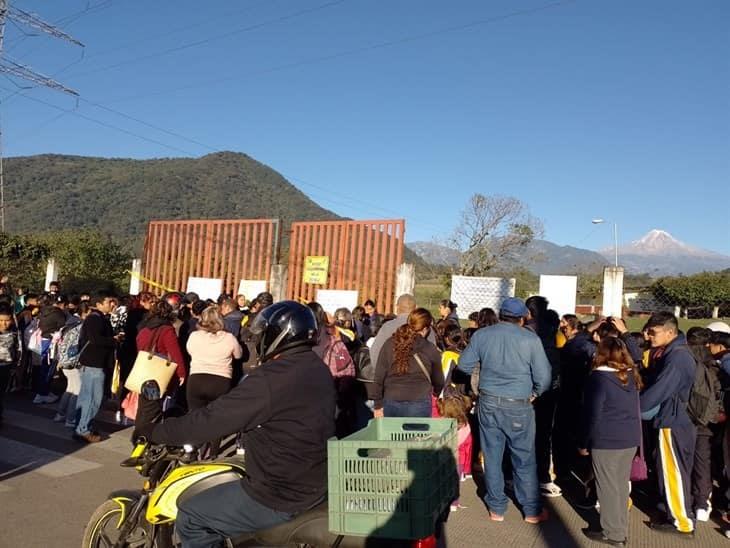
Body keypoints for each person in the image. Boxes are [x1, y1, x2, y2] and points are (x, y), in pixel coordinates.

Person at [139, 301, 336, 547]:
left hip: (279, 492)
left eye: (263, 334)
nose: (257, 340)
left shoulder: (272, 378)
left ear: (279, 335)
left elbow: (213, 419)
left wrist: (157, 431)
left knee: (191, 516)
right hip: (312, 481)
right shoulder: (315, 367)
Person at [457, 297, 551, 524]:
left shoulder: (482, 335)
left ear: (501, 315)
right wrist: (535, 393)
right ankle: (531, 510)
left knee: (492, 455)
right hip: (519, 403)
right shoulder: (530, 339)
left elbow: (463, 365)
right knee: (524, 458)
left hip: (488, 402)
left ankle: (496, 508)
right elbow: (544, 376)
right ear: (521, 319)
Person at [579, 337, 642, 546]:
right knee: (621, 485)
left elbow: (592, 414)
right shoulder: (630, 375)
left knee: (606, 486)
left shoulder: (598, 378)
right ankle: (619, 526)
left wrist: (584, 441)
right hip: (629, 437)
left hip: (606, 438)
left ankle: (612, 532)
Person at [640, 312, 696, 537]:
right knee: (672, 470)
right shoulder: (675, 352)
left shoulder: (677, 357)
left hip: (673, 420)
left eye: (653, 332)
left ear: (670, 332)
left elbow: (660, 390)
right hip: (674, 418)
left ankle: (682, 523)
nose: (649, 336)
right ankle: (673, 512)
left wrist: (637, 407)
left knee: (674, 471)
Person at [186, 306, 242, 456]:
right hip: (220, 381)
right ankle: (213, 453)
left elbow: (189, 351)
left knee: (195, 416)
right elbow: (238, 355)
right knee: (217, 418)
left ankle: (191, 449)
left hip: (196, 378)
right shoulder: (229, 338)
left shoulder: (195, 336)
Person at [372, 308, 444, 418]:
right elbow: (439, 380)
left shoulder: (390, 344)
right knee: (417, 435)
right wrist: (435, 394)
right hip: (420, 401)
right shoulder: (430, 348)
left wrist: (377, 405)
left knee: (391, 435)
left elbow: (379, 376)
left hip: (391, 399)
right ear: (425, 329)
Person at [133, 300, 187, 441]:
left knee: (143, 407)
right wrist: (181, 373)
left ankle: (138, 435)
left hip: (144, 371)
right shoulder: (166, 330)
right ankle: (143, 438)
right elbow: (175, 354)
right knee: (153, 409)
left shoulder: (144, 327)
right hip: (157, 374)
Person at [525, 295, 562, 498]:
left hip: (531, 390)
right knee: (543, 435)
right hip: (551, 389)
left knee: (525, 435)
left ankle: (524, 475)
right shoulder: (551, 330)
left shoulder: (527, 332)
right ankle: (543, 477)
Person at [74, 291, 120, 443]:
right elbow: (95, 339)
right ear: (99, 304)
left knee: (86, 397)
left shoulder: (100, 318)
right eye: (108, 302)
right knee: (92, 399)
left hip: (92, 363)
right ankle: (83, 429)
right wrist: (113, 340)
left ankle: (81, 426)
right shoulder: (95, 319)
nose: (112, 304)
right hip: (93, 364)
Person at [53, 303, 91, 428]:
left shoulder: (69, 324)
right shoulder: (80, 326)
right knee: (77, 390)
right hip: (74, 362)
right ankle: (71, 418)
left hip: (64, 361)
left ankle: (60, 413)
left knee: (70, 388)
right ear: (83, 313)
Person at [33, 293, 68, 404]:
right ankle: (42, 393)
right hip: (51, 343)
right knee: (47, 369)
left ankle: (43, 391)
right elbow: (63, 327)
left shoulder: (43, 312)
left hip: (41, 340)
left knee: (43, 368)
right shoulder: (58, 313)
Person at [0, 303, 19, 426]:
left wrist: (15, 366)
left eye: (7, 321)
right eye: (1, 320)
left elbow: (18, 349)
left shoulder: (15, 332)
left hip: (6, 367)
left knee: (1, 392)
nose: (4, 323)